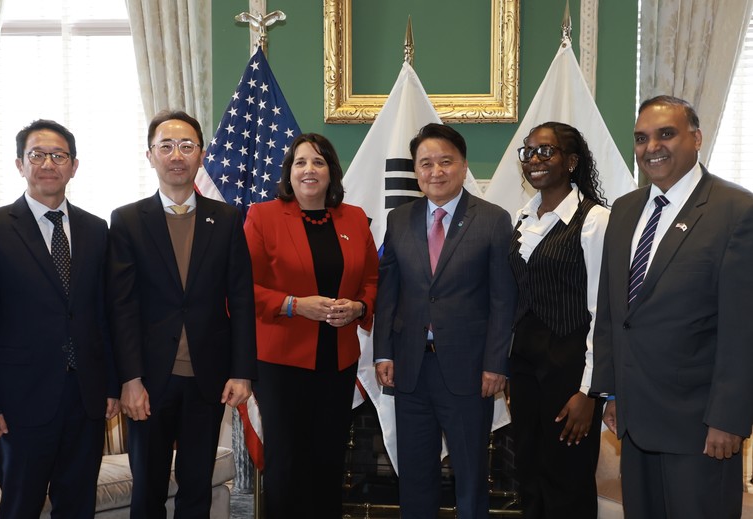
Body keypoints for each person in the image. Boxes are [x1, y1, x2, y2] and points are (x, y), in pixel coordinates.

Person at [590, 95, 753, 518]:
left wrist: (729, 418)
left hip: (700, 427)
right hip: (634, 420)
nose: (652, 147)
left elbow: (743, 329)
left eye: (666, 134)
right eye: (641, 138)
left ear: (696, 139)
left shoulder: (737, 210)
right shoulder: (624, 210)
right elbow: (612, 313)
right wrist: (611, 392)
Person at [107, 110, 257, 518]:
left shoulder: (226, 219)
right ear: (150, 155)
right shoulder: (127, 220)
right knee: (147, 490)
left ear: (201, 155)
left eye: (187, 146)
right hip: (148, 382)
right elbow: (121, 306)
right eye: (167, 146)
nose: (177, 155)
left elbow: (241, 299)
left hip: (207, 379)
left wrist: (242, 372)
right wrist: (129, 379)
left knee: (196, 490)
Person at [0, 119, 119, 517]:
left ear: (74, 166)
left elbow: (103, 315)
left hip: (86, 399)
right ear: (20, 164)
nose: (48, 164)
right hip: (21, 401)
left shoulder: (96, 229)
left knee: (78, 507)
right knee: (20, 507)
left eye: (59, 155)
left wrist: (111, 385)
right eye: (37, 155)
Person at [374, 123, 516, 518]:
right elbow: (389, 292)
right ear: (415, 170)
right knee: (415, 476)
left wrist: (495, 363)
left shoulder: (492, 219)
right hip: (410, 368)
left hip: (469, 371)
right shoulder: (399, 219)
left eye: (445, 161)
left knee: (470, 477)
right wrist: (383, 352)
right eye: (426, 163)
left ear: (464, 165)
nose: (435, 171)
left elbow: (503, 299)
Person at [243, 133, 378, 518]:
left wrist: (358, 307)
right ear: (289, 172)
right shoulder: (263, 216)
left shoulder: (354, 217)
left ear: (331, 172)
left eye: (318, 162)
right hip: (281, 364)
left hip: (337, 362)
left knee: (328, 462)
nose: (309, 170)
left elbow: (372, 279)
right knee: (287, 465)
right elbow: (242, 287)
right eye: (300, 162)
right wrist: (294, 305)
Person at [508, 122, 608, 518]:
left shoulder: (594, 219)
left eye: (546, 151)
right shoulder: (523, 217)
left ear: (571, 162)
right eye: (528, 151)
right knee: (529, 476)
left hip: (570, 369)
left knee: (567, 481)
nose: (534, 159)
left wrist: (589, 392)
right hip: (526, 367)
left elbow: (603, 311)